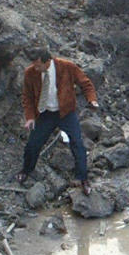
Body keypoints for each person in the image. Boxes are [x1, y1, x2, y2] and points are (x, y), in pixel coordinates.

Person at [18, 49, 99, 190]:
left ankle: (82, 177)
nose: (36, 69)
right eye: (34, 65)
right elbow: (27, 97)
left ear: (47, 61)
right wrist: (30, 117)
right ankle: (26, 170)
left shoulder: (67, 66)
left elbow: (85, 83)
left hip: (66, 112)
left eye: (38, 65)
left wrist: (92, 100)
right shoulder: (30, 73)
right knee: (32, 145)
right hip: (45, 114)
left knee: (77, 143)